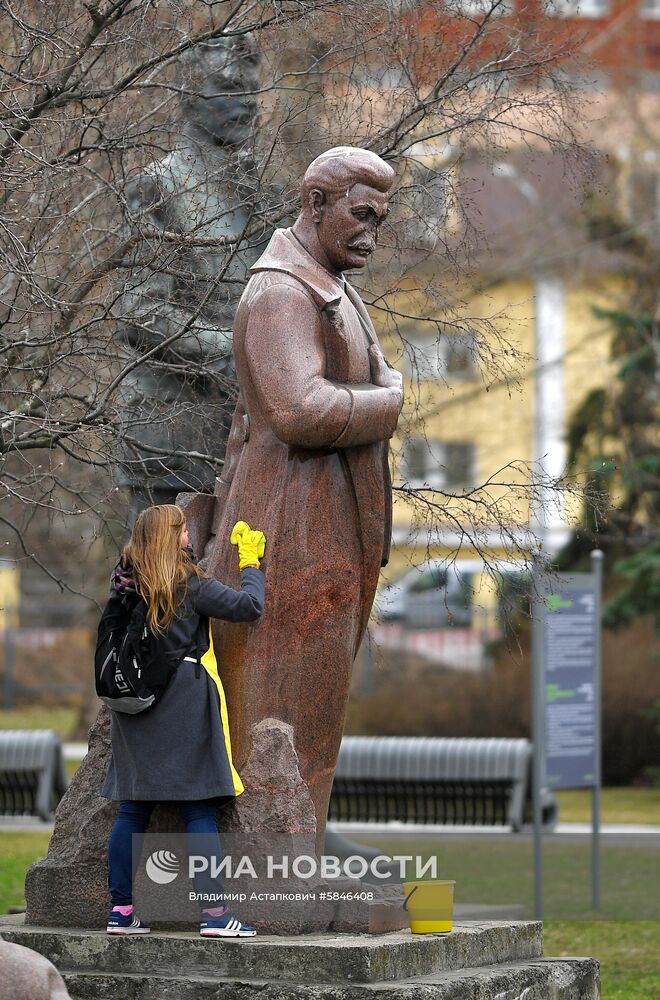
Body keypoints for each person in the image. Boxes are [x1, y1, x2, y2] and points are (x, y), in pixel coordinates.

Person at [203, 146, 403, 843]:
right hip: (287, 531)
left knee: (315, 695)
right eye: (361, 214)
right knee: (281, 698)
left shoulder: (331, 286)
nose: (373, 232)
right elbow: (297, 410)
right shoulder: (281, 292)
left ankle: (302, 830)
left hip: (328, 530)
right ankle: (272, 843)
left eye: (381, 217)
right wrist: (390, 401)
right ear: (317, 202)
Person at [99, 504, 265, 937]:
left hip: (133, 705)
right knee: (199, 807)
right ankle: (214, 916)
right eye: (184, 529)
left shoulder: (124, 581)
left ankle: (121, 912)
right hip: (184, 701)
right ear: (173, 536)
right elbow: (249, 607)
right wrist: (250, 564)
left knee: (132, 809)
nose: (189, 533)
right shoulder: (188, 584)